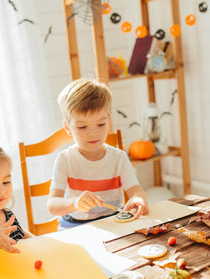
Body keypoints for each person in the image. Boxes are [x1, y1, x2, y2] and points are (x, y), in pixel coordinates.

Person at [47, 78, 149, 228]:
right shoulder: (65, 159)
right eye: (82, 127)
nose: (93, 133)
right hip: (75, 226)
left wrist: (138, 199)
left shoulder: (118, 158)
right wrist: (75, 204)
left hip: (114, 222)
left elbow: (136, 191)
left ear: (109, 120)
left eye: (101, 124)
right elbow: (52, 205)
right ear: (68, 128)